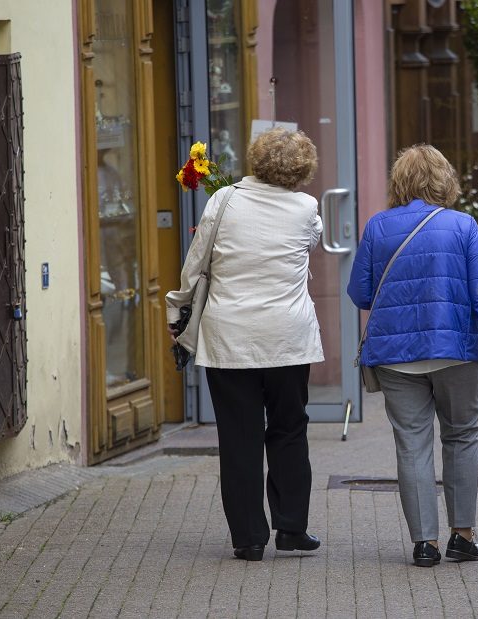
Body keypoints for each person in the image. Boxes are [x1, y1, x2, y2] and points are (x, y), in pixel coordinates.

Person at [347, 144, 478, 568]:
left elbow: (360, 293)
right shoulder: (463, 226)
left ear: (399, 181)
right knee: (462, 435)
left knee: (411, 445)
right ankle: (462, 536)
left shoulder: (377, 226)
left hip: (394, 354)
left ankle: (424, 544)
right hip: (455, 352)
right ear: (445, 180)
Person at [165, 128, 324, 561]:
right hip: (288, 339)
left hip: (229, 337)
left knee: (239, 437)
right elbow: (312, 240)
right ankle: (291, 528)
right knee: (289, 430)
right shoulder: (307, 207)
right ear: (302, 168)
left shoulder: (223, 200)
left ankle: (249, 537)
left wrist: (176, 311)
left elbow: (196, 263)